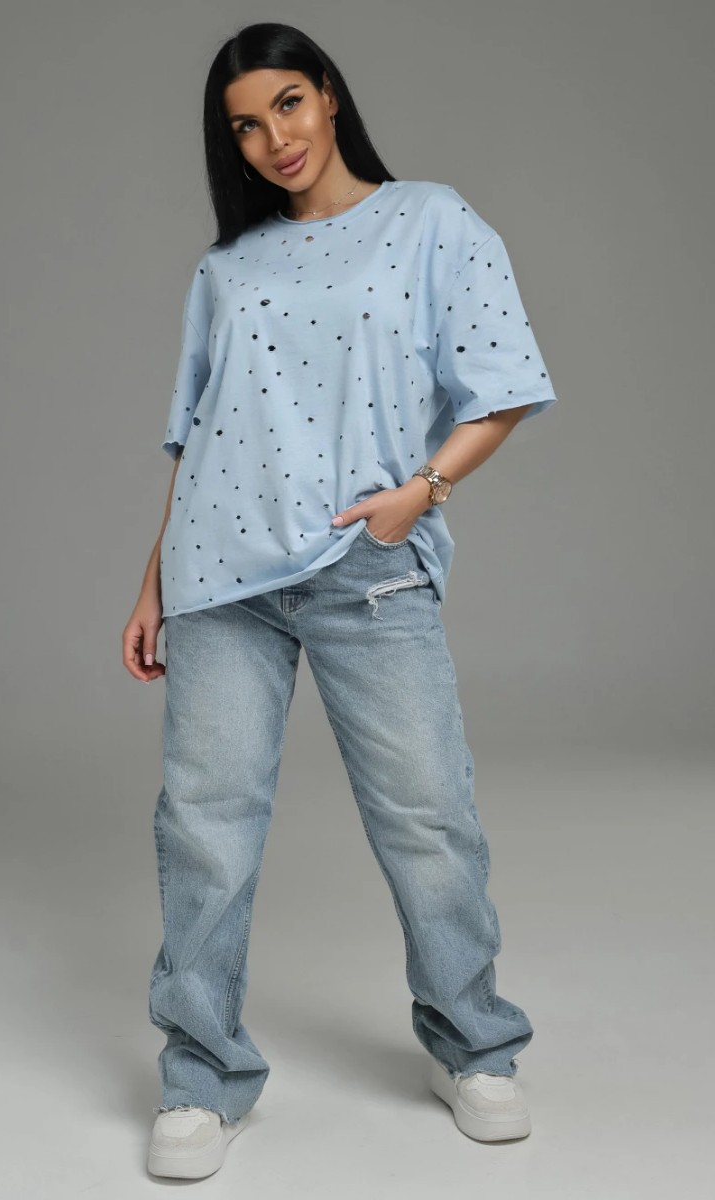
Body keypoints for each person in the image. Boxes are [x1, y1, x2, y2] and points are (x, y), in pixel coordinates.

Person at [122, 21, 558, 1181]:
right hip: (220, 580)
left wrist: (423, 492)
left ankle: (473, 1046)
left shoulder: (428, 221)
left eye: (287, 104)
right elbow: (198, 436)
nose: (272, 138)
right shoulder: (227, 269)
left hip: (365, 565)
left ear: (327, 97)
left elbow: (503, 381)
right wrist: (152, 581)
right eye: (243, 126)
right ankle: (201, 1076)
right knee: (204, 829)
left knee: (428, 818)